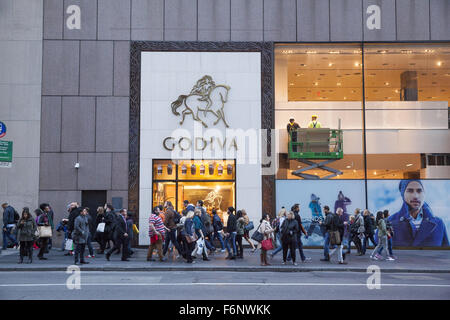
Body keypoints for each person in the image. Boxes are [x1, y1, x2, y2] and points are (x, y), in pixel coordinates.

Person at [388, 179, 449, 247]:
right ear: (403, 194)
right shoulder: (389, 222)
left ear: (424, 193)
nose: (416, 196)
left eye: (419, 191)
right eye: (410, 191)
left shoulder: (439, 224)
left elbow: (445, 254)